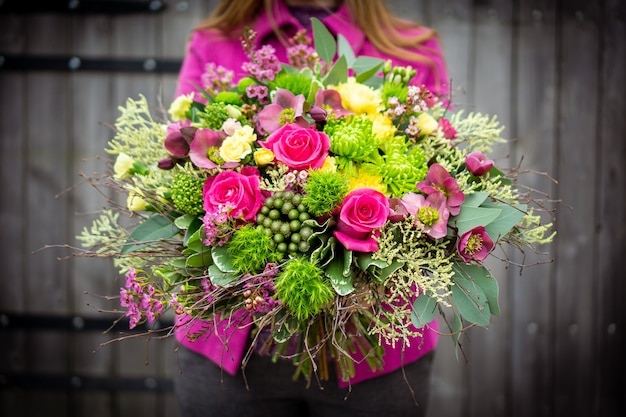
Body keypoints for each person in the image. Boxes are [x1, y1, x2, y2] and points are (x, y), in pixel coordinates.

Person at [172, 1, 450, 416]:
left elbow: (440, 180)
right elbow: (182, 170)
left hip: (375, 346)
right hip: (230, 346)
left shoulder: (412, 51)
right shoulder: (215, 43)